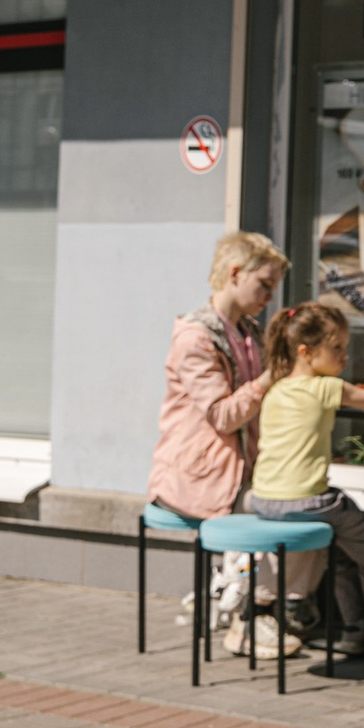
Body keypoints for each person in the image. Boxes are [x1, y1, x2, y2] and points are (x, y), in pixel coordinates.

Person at [152, 231, 299, 659]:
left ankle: (270, 607)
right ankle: (250, 618)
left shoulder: (249, 331)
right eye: (264, 285)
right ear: (235, 273)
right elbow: (223, 415)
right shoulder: (196, 338)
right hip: (198, 476)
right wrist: (270, 378)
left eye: (274, 288)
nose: (269, 297)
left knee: (305, 503)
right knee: (282, 511)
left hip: (242, 470)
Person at [248, 300, 364, 660]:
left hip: (263, 499)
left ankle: (355, 630)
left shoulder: (275, 390)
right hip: (307, 501)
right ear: (306, 352)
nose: (345, 355)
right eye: (337, 347)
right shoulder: (325, 387)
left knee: (342, 548)